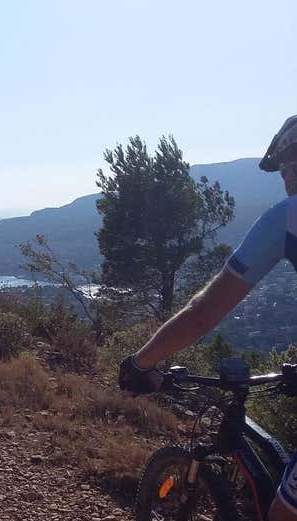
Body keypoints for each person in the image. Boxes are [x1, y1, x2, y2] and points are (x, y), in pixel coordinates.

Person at [118, 115, 297, 520]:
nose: (284, 180)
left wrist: (141, 362)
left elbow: (204, 311)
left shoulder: (287, 216)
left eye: (285, 167)